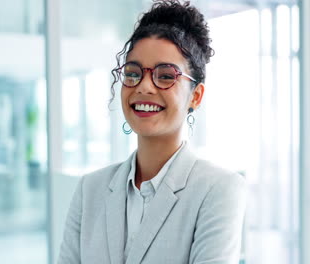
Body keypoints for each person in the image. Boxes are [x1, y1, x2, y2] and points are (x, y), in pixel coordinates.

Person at [57, 1, 246, 263]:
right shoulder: (90, 190)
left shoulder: (218, 189)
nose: (144, 86)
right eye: (133, 73)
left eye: (166, 76)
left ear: (196, 96)